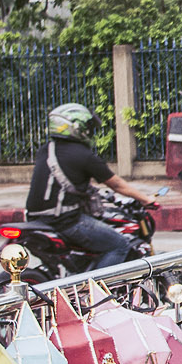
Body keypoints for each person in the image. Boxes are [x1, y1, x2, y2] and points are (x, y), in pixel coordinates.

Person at [26, 103, 158, 269]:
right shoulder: (83, 156)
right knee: (120, 245)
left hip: (35, 220)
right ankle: (97, 291)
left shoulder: (46, 150)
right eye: (87, 127)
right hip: (65, 222)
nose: (89, 131)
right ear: (76, 127)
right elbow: (116, 184)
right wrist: (145, 199)